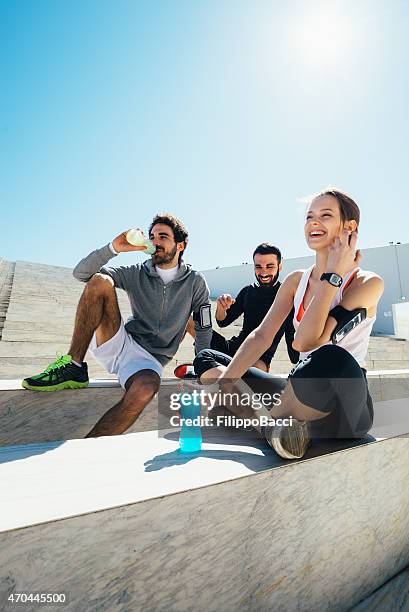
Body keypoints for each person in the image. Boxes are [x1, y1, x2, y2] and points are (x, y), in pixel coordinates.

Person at [193, 189, 384, 460]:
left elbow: (305, 341)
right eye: (309, 216)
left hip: (342, 407)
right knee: (207, 358)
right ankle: (274, 429)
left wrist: (333, 275)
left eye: (325, 215)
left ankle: (254, 416)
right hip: (299, 390)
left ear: (349, 227)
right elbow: (261, 337)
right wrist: (227, 384)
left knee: (330, 357)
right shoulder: (296, 281)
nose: (313, 222)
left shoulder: (367, 283)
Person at [22, 213, 213, 437]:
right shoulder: (136, 273)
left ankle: (87, 447)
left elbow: (203, 326)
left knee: (146, 389)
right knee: (100, 281)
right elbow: (81, 273)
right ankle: (74, 365)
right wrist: (114, 248)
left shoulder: (195, 282)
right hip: (120, 340)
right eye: (152, 237)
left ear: (180, 245)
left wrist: (203, 368)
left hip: (149, 360)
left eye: (163, 236)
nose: (155, 242)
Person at [178, 244, 298, 377]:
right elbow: (223, 322)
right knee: (188, 321)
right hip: (232, 349)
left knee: (255, 369)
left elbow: (291, 338)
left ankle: (208, 370)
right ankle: (208, 367)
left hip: (257, 359)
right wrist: (221, 307)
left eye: (270, 266)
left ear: (279, 266)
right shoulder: (248, 291)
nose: (263, 272)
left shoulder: (286, 297)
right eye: (258, 267)